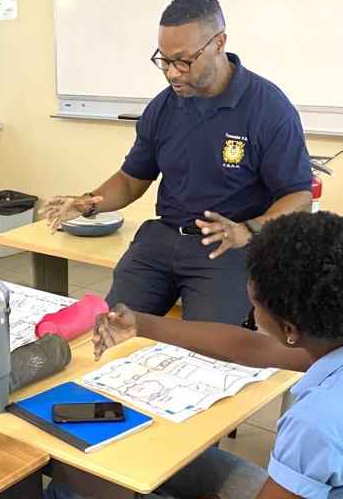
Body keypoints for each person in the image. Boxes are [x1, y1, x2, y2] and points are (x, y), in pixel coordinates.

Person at [38, 0, 312, 326]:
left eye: (184, 60)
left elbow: (299, 196)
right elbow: (130, 179)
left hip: (224, 247)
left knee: (207, 352)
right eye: (164, 60)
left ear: (218, 43)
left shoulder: (268, 109)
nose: (171, 73)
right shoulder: (164, 107)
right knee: (110, 329)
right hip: (162, 239)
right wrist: (88, 203)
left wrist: (249, 230)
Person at [47, 210, 343, 499]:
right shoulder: (328, 339)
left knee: (75, 489)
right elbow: (252, 348)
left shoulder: (314, 422)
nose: (251, 311)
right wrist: (142, 324)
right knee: (160, 457)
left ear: (289, 328)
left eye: (254, 303)